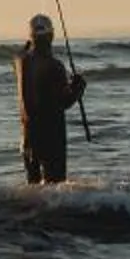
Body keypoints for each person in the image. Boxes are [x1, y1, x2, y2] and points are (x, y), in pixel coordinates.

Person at [16, 13, 86, 184]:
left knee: (33, 188)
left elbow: (23, 50)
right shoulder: (55, 66)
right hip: (51, 136)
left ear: (31, 36)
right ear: (52, 36)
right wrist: (78, 87)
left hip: (28, 136)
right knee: (55, 186)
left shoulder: (20, 61)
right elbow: (63, 102)